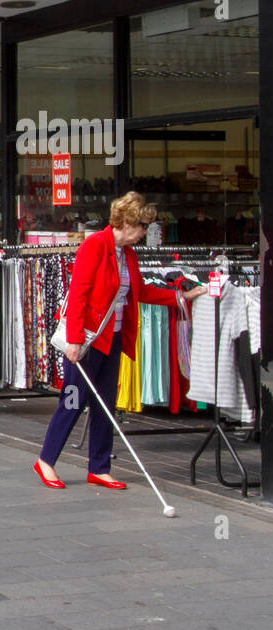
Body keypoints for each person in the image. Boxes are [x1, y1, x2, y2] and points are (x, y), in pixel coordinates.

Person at [33, 192, 208, 489]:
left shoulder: (128, 254)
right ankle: (46, 461)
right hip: (88, 340)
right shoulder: (95, 246)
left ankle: (99, 467)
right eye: (142, 226)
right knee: (73, 400)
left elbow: (142, 293)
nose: (145, 232)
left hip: (112, 339)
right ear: (126, 221)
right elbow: (78, 294)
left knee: (106, 405)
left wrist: (181, 295)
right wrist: (74, 341)